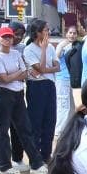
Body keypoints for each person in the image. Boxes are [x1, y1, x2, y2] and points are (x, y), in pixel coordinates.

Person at [0, 24, 48, 174]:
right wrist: (16, 75)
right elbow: (3, 79)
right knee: (2, 130)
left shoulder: (16, 53)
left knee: (25, 128)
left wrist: (13, 76)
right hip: (3, 94)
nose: (8, 39)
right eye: (5, 37)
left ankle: (36, 163)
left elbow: (25, 73)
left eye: (10, 36)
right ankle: (4, 165)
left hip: (17, 93)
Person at [22, 19, 60, 162]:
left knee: (50, 120)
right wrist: (43, 49)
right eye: (45, 30)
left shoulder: (50, 47)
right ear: (37, 33)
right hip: (37, 87)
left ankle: (46, 154)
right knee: (36, 121)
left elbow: (57, 66)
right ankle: (35, 156)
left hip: (50, 85)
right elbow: (41, 68)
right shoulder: (29, 49)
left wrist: (46, 70)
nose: (48, 32)